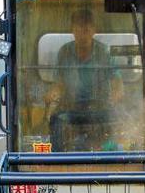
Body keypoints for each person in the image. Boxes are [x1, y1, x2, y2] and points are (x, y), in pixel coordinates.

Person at [46, 9, 123, 150]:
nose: (83, 33)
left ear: (93, 30)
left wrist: (116, 95)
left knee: (117, 118)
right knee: (56, 119)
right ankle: (58, 162)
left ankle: (110, 160)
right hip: (72, 109)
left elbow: (116, 81)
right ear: (73, 30)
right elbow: (59, 83)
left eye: (86, 29)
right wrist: (53, 94)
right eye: (79, 28)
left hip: (100, 108)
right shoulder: (65, 52)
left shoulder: (104, 52)